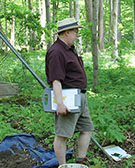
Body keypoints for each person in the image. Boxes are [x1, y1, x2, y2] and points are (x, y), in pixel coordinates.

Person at [45, 17, 94, 165]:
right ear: (66, 32)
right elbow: (56, 80)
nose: (77, 35)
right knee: (62, 135)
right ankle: (63, 165)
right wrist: (60, 103)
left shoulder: (69, 49)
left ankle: (80, 161)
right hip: (68, 99)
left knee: (87, 128)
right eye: (75, 31)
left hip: (80, 97)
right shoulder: (56, 52)